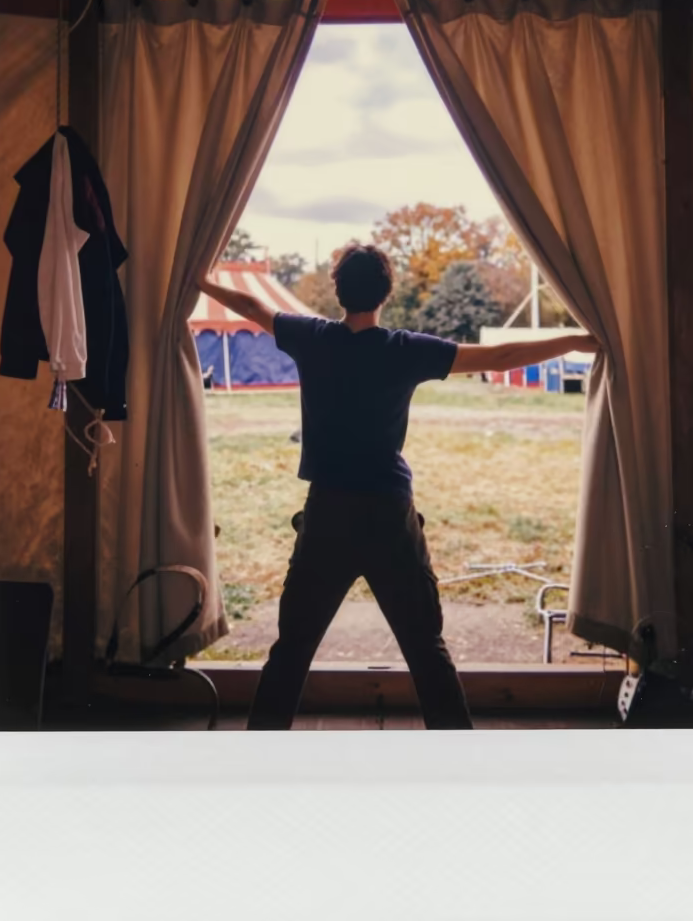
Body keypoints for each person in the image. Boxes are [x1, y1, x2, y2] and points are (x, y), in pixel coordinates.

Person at [197, 244, 600, 730]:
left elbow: (250, 307)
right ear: (386, 293)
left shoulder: (311, 338)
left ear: (337, 290)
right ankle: (458, 764)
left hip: (327, 516)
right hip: (390, 517)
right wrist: (575, 341)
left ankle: (255, 765)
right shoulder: (405, 350)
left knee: (292, 650)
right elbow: (505, 353)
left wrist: (195, 279)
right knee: (426, 649)